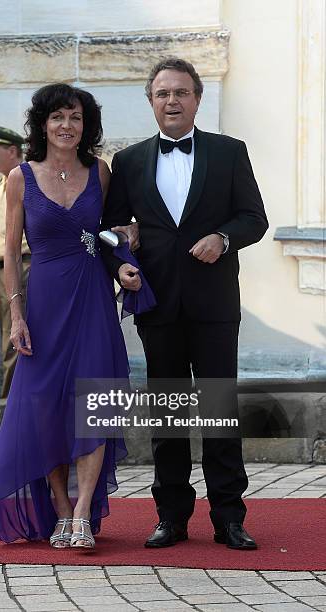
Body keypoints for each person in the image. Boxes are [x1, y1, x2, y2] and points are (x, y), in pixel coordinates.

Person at [101, 58, 269, 550]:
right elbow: (112, 233)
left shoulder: (228, 152)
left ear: (198, 98)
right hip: (158, 306)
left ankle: (229, 518)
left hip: (215, 304)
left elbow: (254, 218)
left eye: (180, 92)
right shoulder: (128, 162)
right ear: (151, 102)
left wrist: (223, 236)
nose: (171, 101)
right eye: (162, 94)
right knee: (168, 416)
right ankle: (171, 517)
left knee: (218, 412)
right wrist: (119, 267)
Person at [0, 84, 139, 549]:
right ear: (43, 125)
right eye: (58, 118)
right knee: (45, 407)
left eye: (76, 118)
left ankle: (84, 512)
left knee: (95, 401)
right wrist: (17, 315)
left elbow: (111, 235)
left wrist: (126, 251)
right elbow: (9, 251)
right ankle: (61, 510)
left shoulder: (101, 173)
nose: (67, 126)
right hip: (43, 303)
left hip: (91, 299)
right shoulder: (21, 178)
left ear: (86, 127)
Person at [0, 124, 30, 398]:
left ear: (12, 150)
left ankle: (10, 404)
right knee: (9, 337)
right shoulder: (4, 183)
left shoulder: (22, 179)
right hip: (5, 268)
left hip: (23, 265)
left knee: (16, 338)